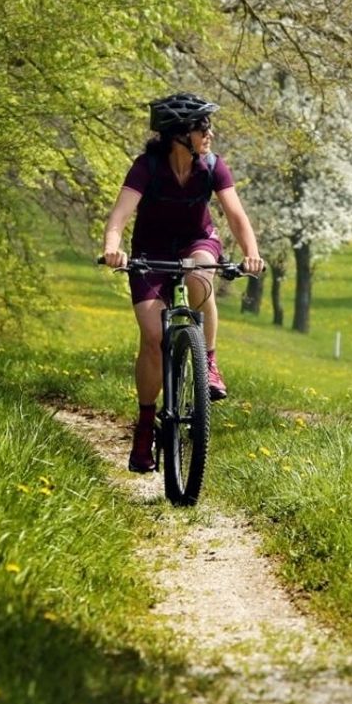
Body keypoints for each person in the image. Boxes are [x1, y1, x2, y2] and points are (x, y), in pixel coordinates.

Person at [101, 92, 265, 473]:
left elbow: (236, 215)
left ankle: (207, 361)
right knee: (152, 339)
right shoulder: (146, 167)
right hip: (150, 249)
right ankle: (145, 426)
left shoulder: (212, 166)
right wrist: (113, 248)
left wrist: (251, 252)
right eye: (201, 127)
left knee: (200, 272)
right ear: (178, 135)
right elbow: (119, 216)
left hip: (197, 241)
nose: (209, 133)